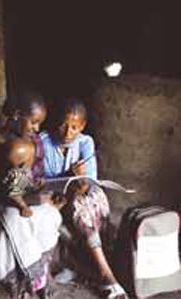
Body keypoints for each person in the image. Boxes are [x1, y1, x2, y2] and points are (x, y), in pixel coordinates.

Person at [40, 98, 128, 299]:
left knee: (86, 204)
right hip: (54, 200)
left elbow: (90, 184)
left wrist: (80, 182)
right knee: (79, 207)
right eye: (63, 125)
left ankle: (102, 273)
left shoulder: (85, 142)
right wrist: (68, 184)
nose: (68, 133)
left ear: (83, 126)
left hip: (82, 198)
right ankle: (108, 278)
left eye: (74, 127)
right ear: (56, 121)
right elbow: (38, 182)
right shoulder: (42, 142)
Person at [0, 91, 62, 299]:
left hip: (26, 202)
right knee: (14, 219)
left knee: (50, 214)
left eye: (39, 124)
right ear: (16, 115)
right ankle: (20, 285)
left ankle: (39, 277)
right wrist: (19, 201)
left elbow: (35, 181)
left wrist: (44, 195)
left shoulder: (35, 143)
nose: (37, 129)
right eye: (34, 122)